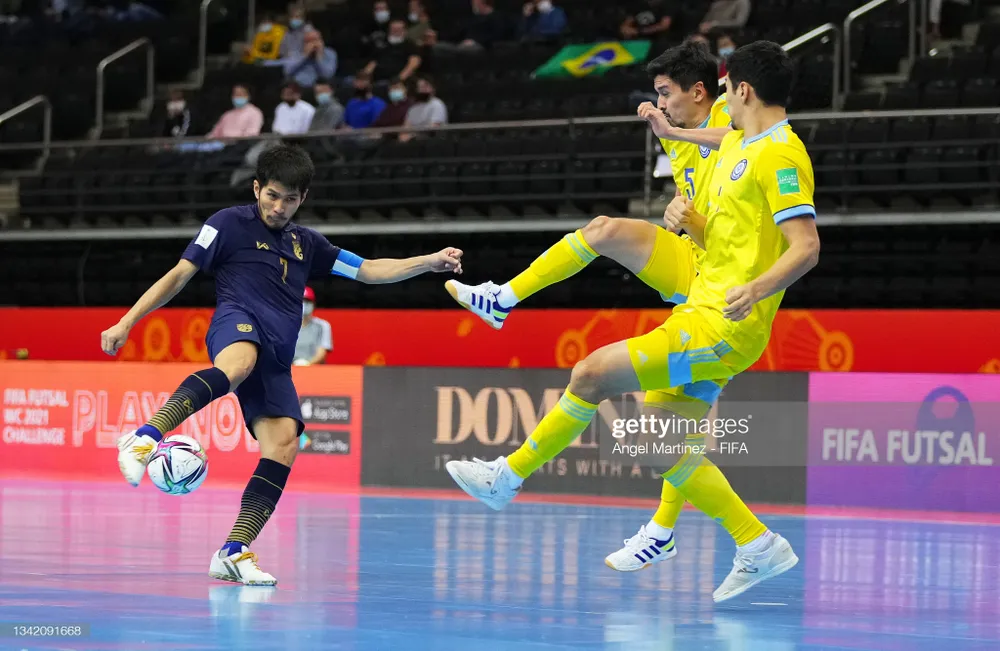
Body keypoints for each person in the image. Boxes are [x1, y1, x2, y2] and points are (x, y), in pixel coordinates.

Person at [444, 40, 820, 603]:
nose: (722, 100)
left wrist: (756, 289)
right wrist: (686, 209)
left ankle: (509, 476)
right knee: (654, 440)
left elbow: (807, 246)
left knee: (592, 374)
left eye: (725, 90)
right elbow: (727, 228)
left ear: (740, 90)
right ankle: (753, 541)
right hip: (703, 302)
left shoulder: (779, 154)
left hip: (724, 321)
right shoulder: (741, 146)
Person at [102, 145, 464, 586]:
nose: (278, 207)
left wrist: (429, 262)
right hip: (236, 322)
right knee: (239, 363)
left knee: (284, 444)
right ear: (257, 188)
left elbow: (369, 270)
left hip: (277, 357)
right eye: (271, 195)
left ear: (302, 199)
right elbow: (180, 274)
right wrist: (127, 321)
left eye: (289, 199)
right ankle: (144, 437)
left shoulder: (307, 244)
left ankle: (233, 552)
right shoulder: (226, 224)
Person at [293, 286, 331, 366]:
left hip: (314, 369)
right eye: (301, 301)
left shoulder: (322, 325)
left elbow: (322, 352)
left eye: (308, 302)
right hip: (290, 369)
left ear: (313, 304)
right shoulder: (287, 326)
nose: (304, 304)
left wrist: (307, 364)